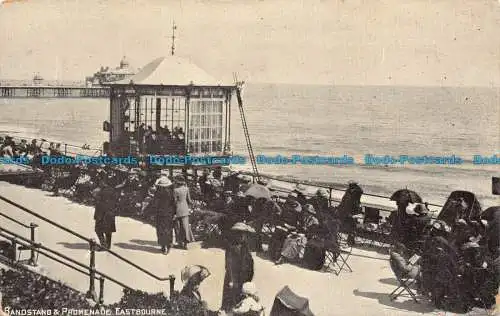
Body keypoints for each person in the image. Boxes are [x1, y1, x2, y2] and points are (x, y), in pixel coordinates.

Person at [222, 222, 255, 311]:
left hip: (244, 277)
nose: (242, 236)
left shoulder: (245, 246)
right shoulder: (231, 247)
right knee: (231, 298)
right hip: (234, 278)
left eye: (243, 234)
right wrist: (232, 280)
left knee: (241, 299)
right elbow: (229, 264)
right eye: (239, 233)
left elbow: (249, 262)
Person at [152, 176, 175, 254]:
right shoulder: (171, 193)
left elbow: (154, 204)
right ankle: (168, 245)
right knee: (168, 229)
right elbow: (174, 204)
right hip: (169, 214)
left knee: (160, 230)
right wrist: (174, 213)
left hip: (160, 213)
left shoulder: (157, 193)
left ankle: (163, 246)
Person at [93, 176, 117, 250]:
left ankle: (103, 245)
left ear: (103, 182)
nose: (99, 183)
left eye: (100, 182)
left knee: (98, 230)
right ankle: (108, 246)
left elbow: (99, 203)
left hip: (102, 214)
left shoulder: (100, 191)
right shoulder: (112, 190)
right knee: (108, 231)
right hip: (110, 213)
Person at [173, 174, 194, 249]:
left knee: (178, 227)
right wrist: (191, 207)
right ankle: (186, 244)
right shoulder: (186, 189)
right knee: (185, 227)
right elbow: (189, 200)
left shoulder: (175, 190)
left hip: (178, 210)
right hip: (185, 209)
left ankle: (180, 243)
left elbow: (174, 202)